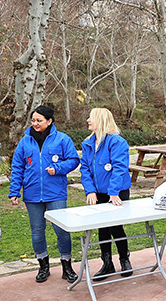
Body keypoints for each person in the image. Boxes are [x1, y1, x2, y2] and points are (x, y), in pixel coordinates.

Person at [9, 105, 80, 283]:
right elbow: (17, 167)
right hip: (32, 195)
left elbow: (73, 160)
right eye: (33, 120)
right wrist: (14, 191)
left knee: (62, 230)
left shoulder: (62, 139)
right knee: (37, 231)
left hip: (55, 193)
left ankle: (67, 266)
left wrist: (57, 169)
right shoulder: (25, 142)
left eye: (39, 120)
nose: (35, 123)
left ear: (49, 121)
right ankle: (43, 266)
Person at [79, 107, 133, 281]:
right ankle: (107, 263)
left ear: (100, 120)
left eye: (91, 118)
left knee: (116, 226)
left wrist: (113, 192)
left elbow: (119, 168)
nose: (88, 120)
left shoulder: (116, 142)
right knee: (102, 227)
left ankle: (124, 260)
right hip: (98, 192)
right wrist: (90, 191)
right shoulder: (88, 143)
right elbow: (85, 170)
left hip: (116, 192)